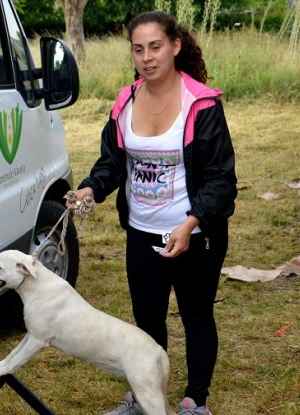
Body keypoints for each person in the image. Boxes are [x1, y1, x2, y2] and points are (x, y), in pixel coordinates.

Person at [67, 11, 237, 415]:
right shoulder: (125, 101)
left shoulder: (202, 105)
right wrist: (91, 187)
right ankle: (145, 397)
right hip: (142, 232)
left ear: (175, 46)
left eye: (155, 47)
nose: (147, 57)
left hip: (194, 235)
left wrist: (191, 222)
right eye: (138, 49)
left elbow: (220, 179)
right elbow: (112, 162)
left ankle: (195, 401)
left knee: (196, 318)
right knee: (147, 321)